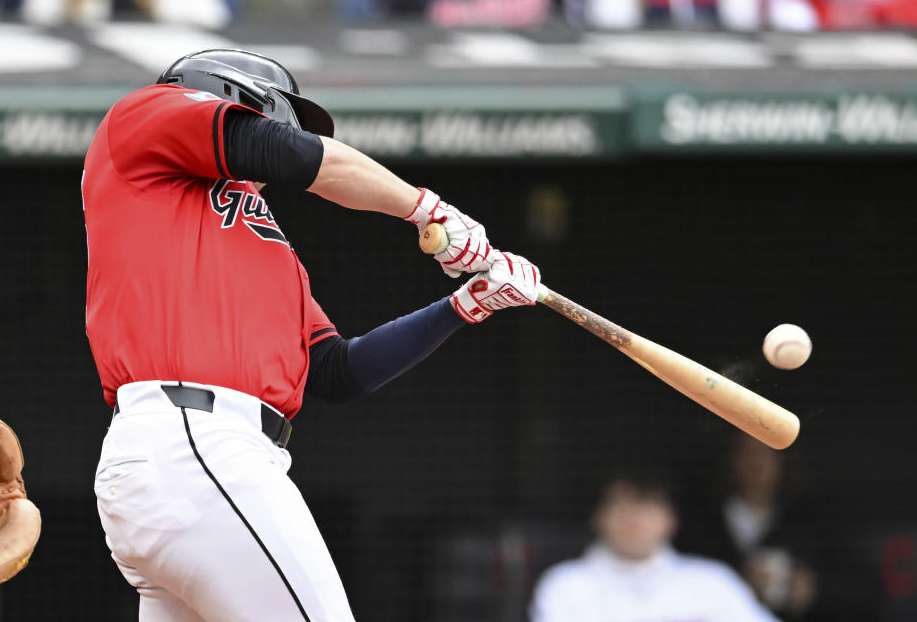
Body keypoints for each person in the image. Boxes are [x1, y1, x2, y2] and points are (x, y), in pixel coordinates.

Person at [83, 48, 542, 622]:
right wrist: (428, 210)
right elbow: (286, 153)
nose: (285, 128)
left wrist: (461, 307)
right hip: (193, 445)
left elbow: (338, 370)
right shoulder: (145, 115)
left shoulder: (265, 247)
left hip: (203, 463)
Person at [529, 469, 779, 622]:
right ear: (597, 517)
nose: (634, 519)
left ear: (670, 519)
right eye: (621, 506)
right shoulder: (566, 585)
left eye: (647, 507)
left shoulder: (713, 581)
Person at [677, 433, 818, 620]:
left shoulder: (804, 524)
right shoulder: (703, 521)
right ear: (731, 461)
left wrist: (809, 590)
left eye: (768, 454)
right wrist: (738, 580)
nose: (757, 464)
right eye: (748, 453)